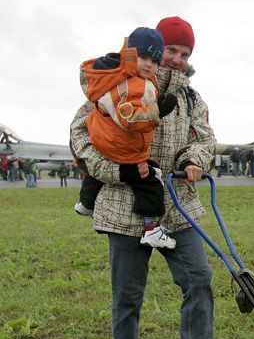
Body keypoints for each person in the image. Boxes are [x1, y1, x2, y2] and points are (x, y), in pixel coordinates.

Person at [70, 16, 233, 339]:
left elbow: (204, 139)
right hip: (124, 208)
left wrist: (192, 161)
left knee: (199, 281)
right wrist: (120, 171)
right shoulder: (118, 85)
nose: (177, 59)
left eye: (184, 53)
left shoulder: (193, 99)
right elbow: (80, 136)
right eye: (171, 51)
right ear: (154, 52)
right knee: (128, 295)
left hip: (178, 207)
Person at [74, 27, 178, 249]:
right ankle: (152, 229)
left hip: (106, 141)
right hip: (121, 145)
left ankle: (85, 202)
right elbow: (129, 118)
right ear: (130, 55)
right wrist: (156, 111)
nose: (149, 64)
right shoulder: (134, 84)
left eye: (154, 60)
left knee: (97, 175)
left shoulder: (116, 77)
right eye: (143, 57)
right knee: (151, 180)